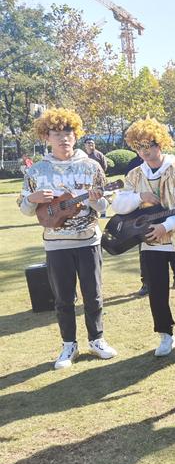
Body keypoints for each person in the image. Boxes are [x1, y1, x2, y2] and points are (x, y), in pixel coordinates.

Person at [18, 108, 117, 369]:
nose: (63, 138)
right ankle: (68, 344)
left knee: (93, 295)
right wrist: (32, 198)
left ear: (76, 136)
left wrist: (95, 200)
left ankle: (97, 339)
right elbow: (26, 209)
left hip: (88, 240)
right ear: (46, 137)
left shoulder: (92, 166)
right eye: (57, 134)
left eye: (68, 133)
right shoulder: (36, 171)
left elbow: (104, 206)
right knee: (63, 298)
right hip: (56, 244)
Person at [112, 117, 175, 356]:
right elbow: (118, 205)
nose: (145, 151)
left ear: (160, 143)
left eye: (149, 145)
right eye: (139, 146)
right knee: (157, 292)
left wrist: (165, 227)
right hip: (150, 243)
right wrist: (140, 197)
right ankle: (165, 335)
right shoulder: (135, 174)